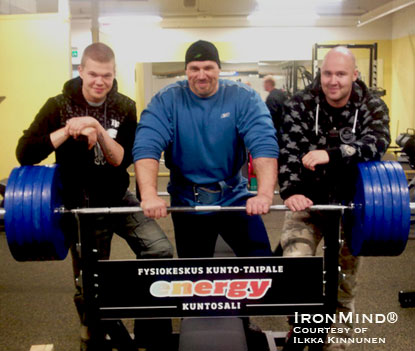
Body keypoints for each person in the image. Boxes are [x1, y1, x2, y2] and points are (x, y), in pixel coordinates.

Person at [15, 42, 173, 351]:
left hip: (118, 196)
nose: (100, 82)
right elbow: (25, 153)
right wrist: (67, 131)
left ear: (114, 75)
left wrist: (97, 128)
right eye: (93, 75)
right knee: (90, 280)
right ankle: (92, 331)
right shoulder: (57, 105)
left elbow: (120, 160)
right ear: (81, 72)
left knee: (160, 251)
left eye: (107, 76)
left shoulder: (125, 106)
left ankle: (148, 330)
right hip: (78, 205)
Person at [277, 47, 391, 350]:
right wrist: (291, 191)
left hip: (353, 208)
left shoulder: (372, 105)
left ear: (354, 74)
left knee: (343, 286)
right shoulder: (301, 104)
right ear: (320, 73)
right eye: (327, 73)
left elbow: (376, 145)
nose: (333, 81)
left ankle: (336, 345)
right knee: (296, 268)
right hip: (308, 204)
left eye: (341, 74)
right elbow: (289, 150)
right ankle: (301, 330)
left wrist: (330, 154)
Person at [133, 39, 279, 259]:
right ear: (186, 71)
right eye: (194, 69)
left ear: (219, 69)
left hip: (234, 196)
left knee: (262, 262)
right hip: (188, 200)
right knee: (194, 274)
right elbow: (146, 146)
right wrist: (150, 195)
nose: (202, 75)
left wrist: (266, 194)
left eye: (209, 67)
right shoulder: (167, 100)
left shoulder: (243, 97)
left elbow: (263, 144)